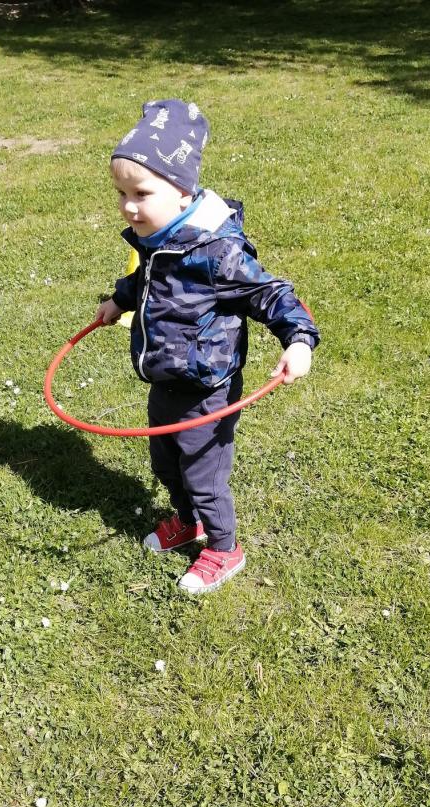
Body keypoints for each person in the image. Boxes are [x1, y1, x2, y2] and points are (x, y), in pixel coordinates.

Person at [95, 99, 319, 594]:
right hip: (164, 378)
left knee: (203, 475)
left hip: (206, 389)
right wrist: (119, 299)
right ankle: (188, 521)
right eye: (121, 193)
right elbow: (149, 279)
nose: (128, 206)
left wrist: (299, 341)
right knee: (166, 464)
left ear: (181, 192)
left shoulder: (216, 254)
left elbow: (272, 294)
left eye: (141, 193)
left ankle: (224, 548)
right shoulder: (157, 235)